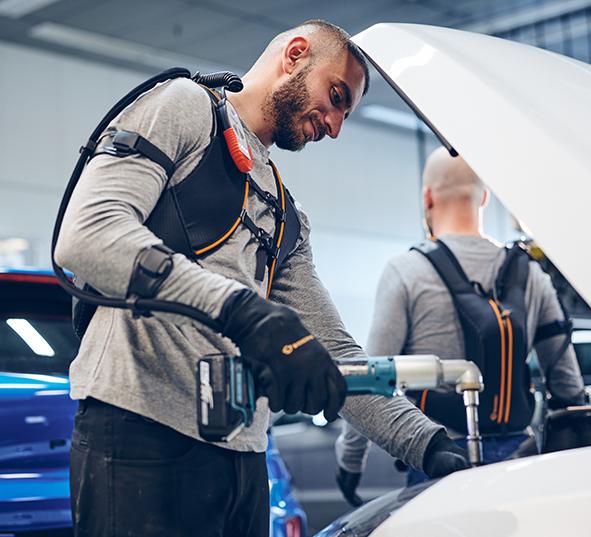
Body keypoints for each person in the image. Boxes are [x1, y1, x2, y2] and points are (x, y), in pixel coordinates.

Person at [55, 21, 468, 537]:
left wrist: (429, 445)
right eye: (336, 97)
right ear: (296, 55)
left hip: (242, 460)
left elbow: (336, 353)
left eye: (345, 114)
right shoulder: (184, 106)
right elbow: (87, 235)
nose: (336, 127)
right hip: (140, 437)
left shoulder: (282, 211)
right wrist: (243, 311)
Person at [335, 146, 586, 505]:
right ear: (484, 198)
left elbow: (370, 379)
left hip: (436, 459)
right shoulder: (531, 275)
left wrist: (350, 462)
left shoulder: (406, 272)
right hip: (522, 460)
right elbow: (567, 386)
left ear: (427, 197)